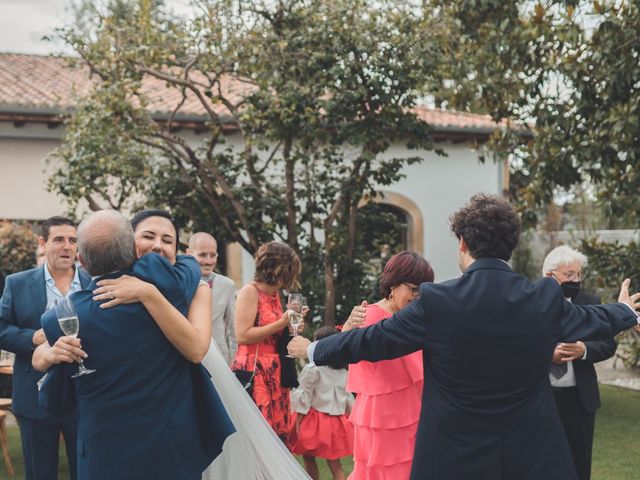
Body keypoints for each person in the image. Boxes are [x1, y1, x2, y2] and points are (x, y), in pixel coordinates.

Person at [289, 193, 640, 480]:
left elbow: (373, 339)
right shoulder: (543, 297)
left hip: (451, 457)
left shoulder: (437, 302)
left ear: (462, 243)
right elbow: (591, 319)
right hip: (531, 455)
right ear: (510, 247)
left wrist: (316, 348)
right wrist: (625, 311)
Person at [40, 209, 310, 480]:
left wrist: (147, 292)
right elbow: (187, 265)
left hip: (112, 452)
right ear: (132, 247)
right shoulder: (178, 285)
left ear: (82, 262)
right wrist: (46, 354)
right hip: (161, 450)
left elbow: (55, 401)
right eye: (149, 236)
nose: (158, 245)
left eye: (167, 239)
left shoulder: (59, 318)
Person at [0, 216, 90, 480]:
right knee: (40, 473)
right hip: (34, 394)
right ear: (42, 243)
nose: (67, 246)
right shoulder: (17, 283)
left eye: (73, 240)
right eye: (59, 239)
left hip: (84, 394)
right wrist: (32, 339)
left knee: (87, 472)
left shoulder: (93, 283)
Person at [340, 251, 434, 479]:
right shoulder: (370, 315)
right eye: (413, 289)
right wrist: (348, 328)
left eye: (422, 291)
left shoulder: (415, 318)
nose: (417, 296)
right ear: (393, 285)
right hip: (382, 416)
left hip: (415, 411)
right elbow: (344, 348)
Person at [542, 245, 617, 480]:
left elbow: (608, 344)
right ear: (549, 277)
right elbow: (517, 345)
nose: (575, 279)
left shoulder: (591, 301)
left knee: (579, 464)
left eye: (578, 274)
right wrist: (546, 354)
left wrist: (584, 349)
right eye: (569, 275)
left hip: (579, 399)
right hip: (542, 398)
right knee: (543, 462)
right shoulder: (532, 303)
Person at [232, 241, 302, 445]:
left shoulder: (276, 294)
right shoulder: (249, 291)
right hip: (254, 369)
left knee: (278, 434)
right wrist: (281, 322)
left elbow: (276, 334)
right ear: (276, 268)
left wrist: (291, 326)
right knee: (259, 436)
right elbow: (242, 335)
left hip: (275, 370)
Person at [290, 326, 354, 480]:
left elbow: (303, 395)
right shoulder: (344, 372)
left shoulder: (313, 368)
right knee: (335, 464)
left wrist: (297, 421)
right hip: (336, 424)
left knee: (309, 459)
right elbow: (348, 400)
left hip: (313, 422)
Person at [186, 232, 237, 365]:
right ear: (189, 253)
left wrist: (234, 363)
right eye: (202, 255)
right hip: (187, 356)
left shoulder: (228, 285)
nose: (208, 261)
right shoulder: (179, 282)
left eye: (213, 255)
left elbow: (233, 331)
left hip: (220, 359)